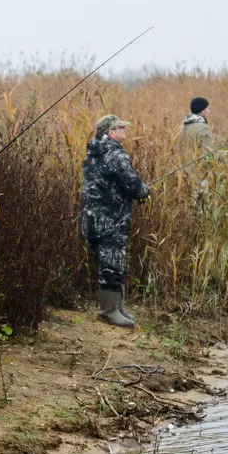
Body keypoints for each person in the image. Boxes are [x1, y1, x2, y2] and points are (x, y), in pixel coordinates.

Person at [79, 114, 150, 328]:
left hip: (93, 218)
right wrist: (144, 190)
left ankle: (117, 308)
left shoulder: (93, 153)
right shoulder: (115, 155)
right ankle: (109, 311)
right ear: (111, 132)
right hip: (111, 219)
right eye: (121, 128)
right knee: (111, 263)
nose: (125, 131)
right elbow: (134, 185)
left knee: (112, 261)